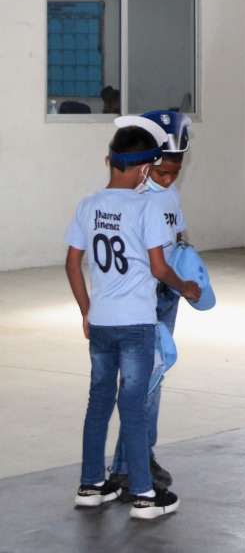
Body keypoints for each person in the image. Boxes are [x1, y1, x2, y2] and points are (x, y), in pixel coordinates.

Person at [65, 120, 199, 519]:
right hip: (137, 324)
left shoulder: (88, 204)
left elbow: (72, 263)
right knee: (134, 406)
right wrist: (187, 287)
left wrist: (86, 309)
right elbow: (159, 268)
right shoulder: (146, 207)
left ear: (108, 161)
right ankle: (143, 494)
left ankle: (91, 485)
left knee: (98, 402)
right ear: (144, 169)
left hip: (102, 322)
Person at [107, 111, 192, 494]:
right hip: (143, 302)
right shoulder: (133, 198)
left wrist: (188, 264)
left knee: (153, 382)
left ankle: (141, 455)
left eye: (175, 173)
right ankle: (128, 466)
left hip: (168, 296)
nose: (168, 180)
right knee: (140, 385)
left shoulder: (168, 194)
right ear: (146, 164)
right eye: (161, 173)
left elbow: (177, 234)